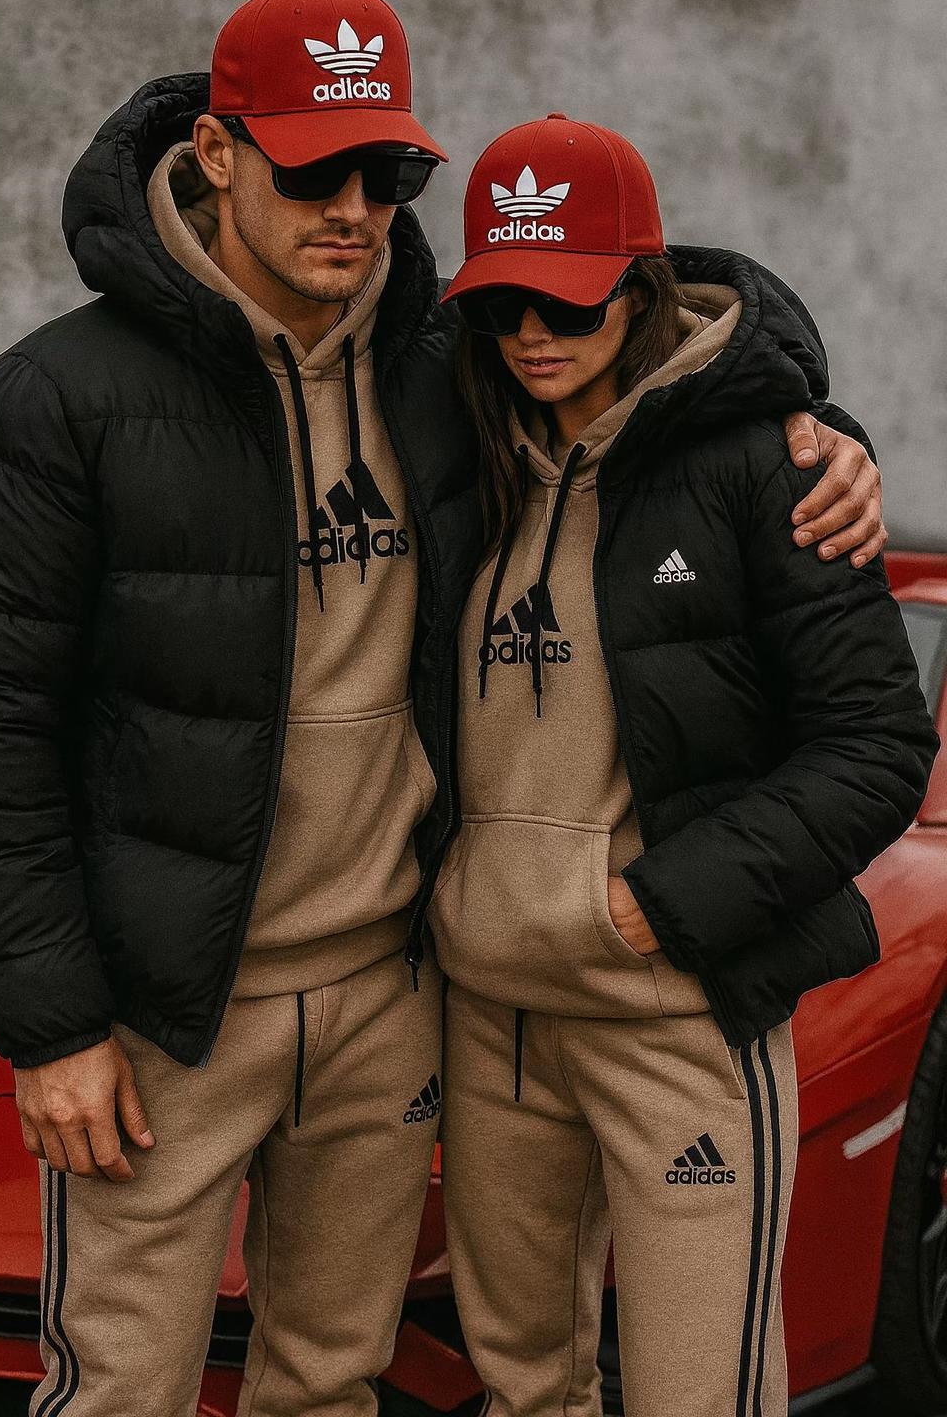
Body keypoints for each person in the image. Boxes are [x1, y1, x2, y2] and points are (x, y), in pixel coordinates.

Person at [0, 0, 885, 1416]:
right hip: (168, 1013)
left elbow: (659, 354)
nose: (355, 209)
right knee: (119, 1390)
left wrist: (820, 424)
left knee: (330, 1383)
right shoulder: (54, 400)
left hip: (394, 992)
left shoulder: (450, 364)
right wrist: (51, 1025)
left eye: (388, 174)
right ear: (216, 153)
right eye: (315, 170)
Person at [428, 113, 940, 1417]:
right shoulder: (467, 462)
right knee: (520, 1388)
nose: (532, 333)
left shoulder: (772, 471)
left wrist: (656, 907)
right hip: (492, 1023)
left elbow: (879, 745)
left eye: (569, 299)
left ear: (641, 288)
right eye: (500, 305)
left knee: (699, 1394)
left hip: (677, 1015)